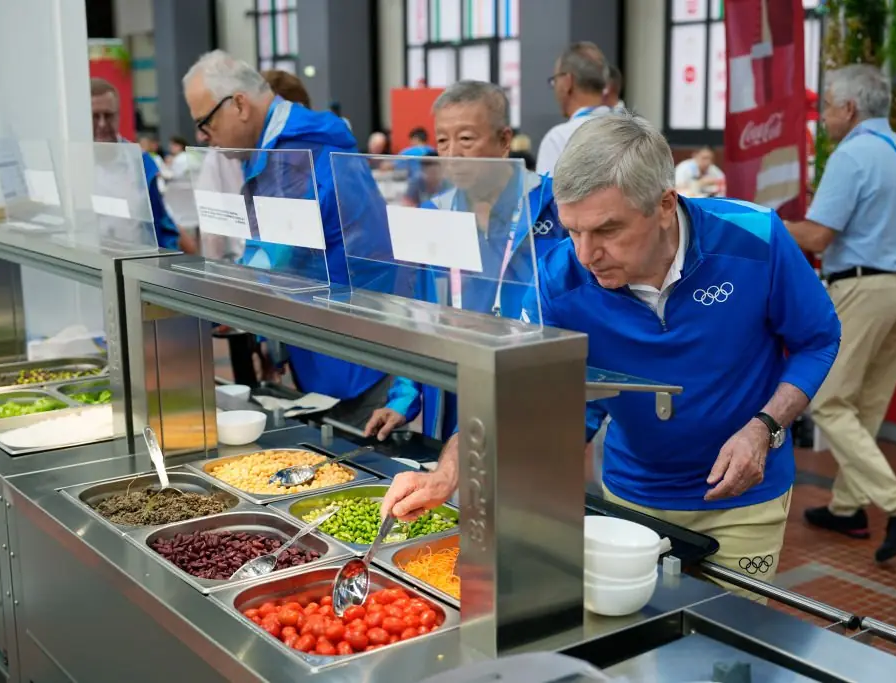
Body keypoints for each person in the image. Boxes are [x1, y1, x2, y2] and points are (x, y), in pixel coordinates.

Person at [382, 113, 841, 595]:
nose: (586, 254)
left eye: (606, 231)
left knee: (726, 653)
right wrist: (448, 473)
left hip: (746, 499)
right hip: (631, 497)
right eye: (573, 231)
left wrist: (763, 427)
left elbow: (818, 339)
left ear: (665, 205)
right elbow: (511, 389)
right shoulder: (557, 279)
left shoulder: (756, 238)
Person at [182, 50, 391, 428]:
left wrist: (211, 298)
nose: (203, 136)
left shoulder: (295, 153)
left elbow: (274, 256)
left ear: (239, 105)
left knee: (354, 460)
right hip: (325, 335)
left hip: (351, 345)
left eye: (205, 122)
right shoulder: (276, 149)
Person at [784, 64, 896, 562]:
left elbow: (816, 237)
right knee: (866, 406)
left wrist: (760, 220)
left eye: (827, 104)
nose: (824, 114)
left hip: (863, 289)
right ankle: (849, 508)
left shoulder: (852, 156)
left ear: (849, 108)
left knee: (827, 400)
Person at [364, 81, 565, 444]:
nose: (453, 153)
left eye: (467, 139)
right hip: (454, 389)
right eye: (443, 141)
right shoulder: (434, 214)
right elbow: (418, 315)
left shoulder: (553, 207)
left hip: (531, 387)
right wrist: (404, 397)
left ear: (504, 141)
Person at [90, 78, 194, 253]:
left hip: (136, 264)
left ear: (118, 115)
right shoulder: (74, 163)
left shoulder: (140, 162)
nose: (102, 124)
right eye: (95, 116)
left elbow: (161, 223)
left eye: (108, 115)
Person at [536, 42, 612, 176]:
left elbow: (545, 196)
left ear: (567, 82)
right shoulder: (634, 131)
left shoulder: (558, 139)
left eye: (555, 80)